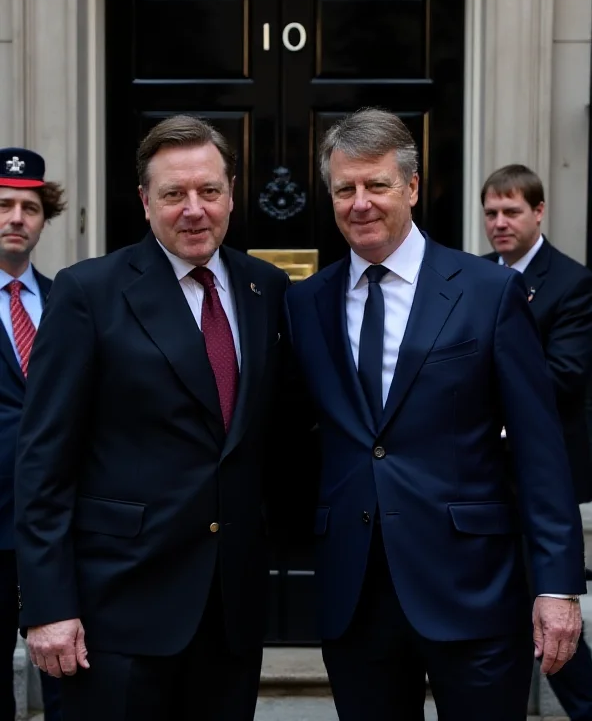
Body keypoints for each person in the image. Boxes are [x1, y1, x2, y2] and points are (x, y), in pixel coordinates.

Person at [284, 108, 585, 721]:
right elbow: (294, 436)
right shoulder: (305, 302)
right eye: (346, 189)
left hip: (472, 586)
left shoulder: (487, 291)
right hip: (356, 593)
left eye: (378, 185)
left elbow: (539, 447)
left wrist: (558, 585)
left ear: (413, 188)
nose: (360, 203)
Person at [14, 116, 290, 721]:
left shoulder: (266, 289)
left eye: (209, 191)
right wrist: (48, 605)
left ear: (231, 194)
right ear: (145, 202)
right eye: (173, 194)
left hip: (231, 611)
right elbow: (44, 461)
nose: (194, 209)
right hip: (118, 610)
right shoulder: (88, 292)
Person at [482, 163, 592, 721]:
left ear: (539, 212)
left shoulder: (571, 282)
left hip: (537, 479)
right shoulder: (473, 277)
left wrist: (487, 404)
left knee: (543, 598)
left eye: (511, 212)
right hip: (479, 480)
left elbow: (564, 374)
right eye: (491, 213)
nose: (499, 223)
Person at [0, 147, 65, 721]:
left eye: (29, 207)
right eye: (3, 205)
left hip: (56, 527)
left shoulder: (69, 299)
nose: (17, 218)